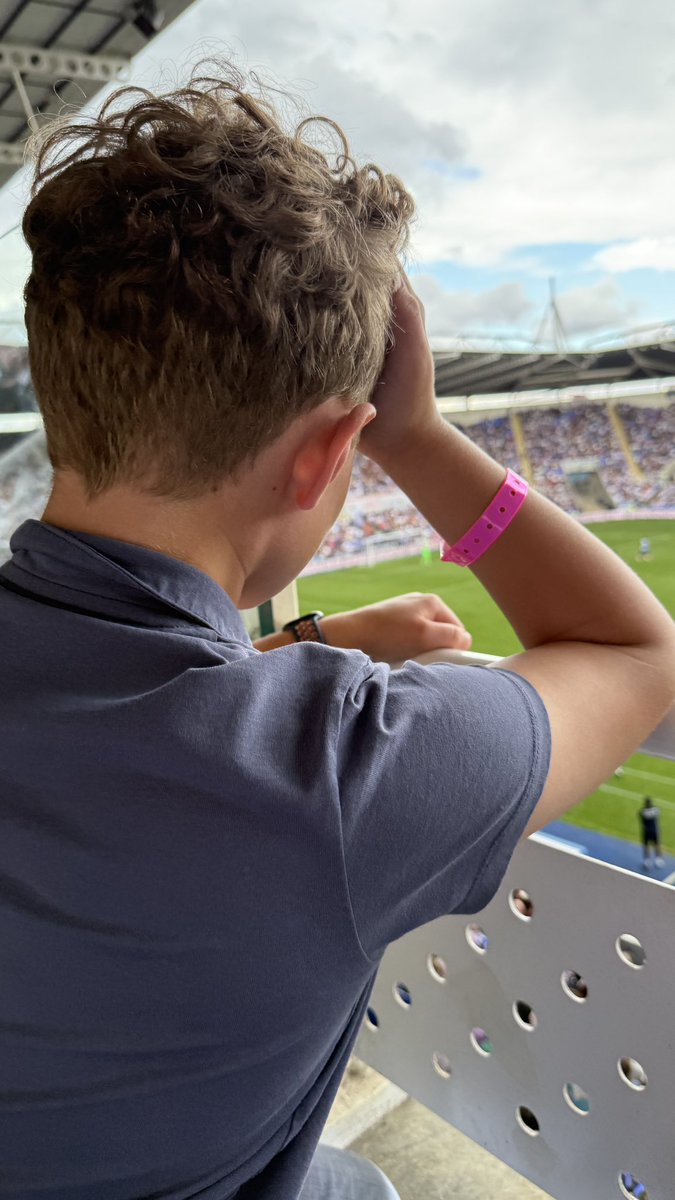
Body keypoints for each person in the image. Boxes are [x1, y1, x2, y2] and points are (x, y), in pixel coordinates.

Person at [1, 62, 674, 1200]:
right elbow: (631, 651)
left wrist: (307, 638)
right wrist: (415, 439)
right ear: (327, 454)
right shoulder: (340, 771)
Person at [638, 796, 664, 869]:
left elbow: (642, 820)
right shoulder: (656, 810)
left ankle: (647, 860)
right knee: (656, 845)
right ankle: (658, 859)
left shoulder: (642, 812)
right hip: (654, 830)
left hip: (647, 831)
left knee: (647, 846)